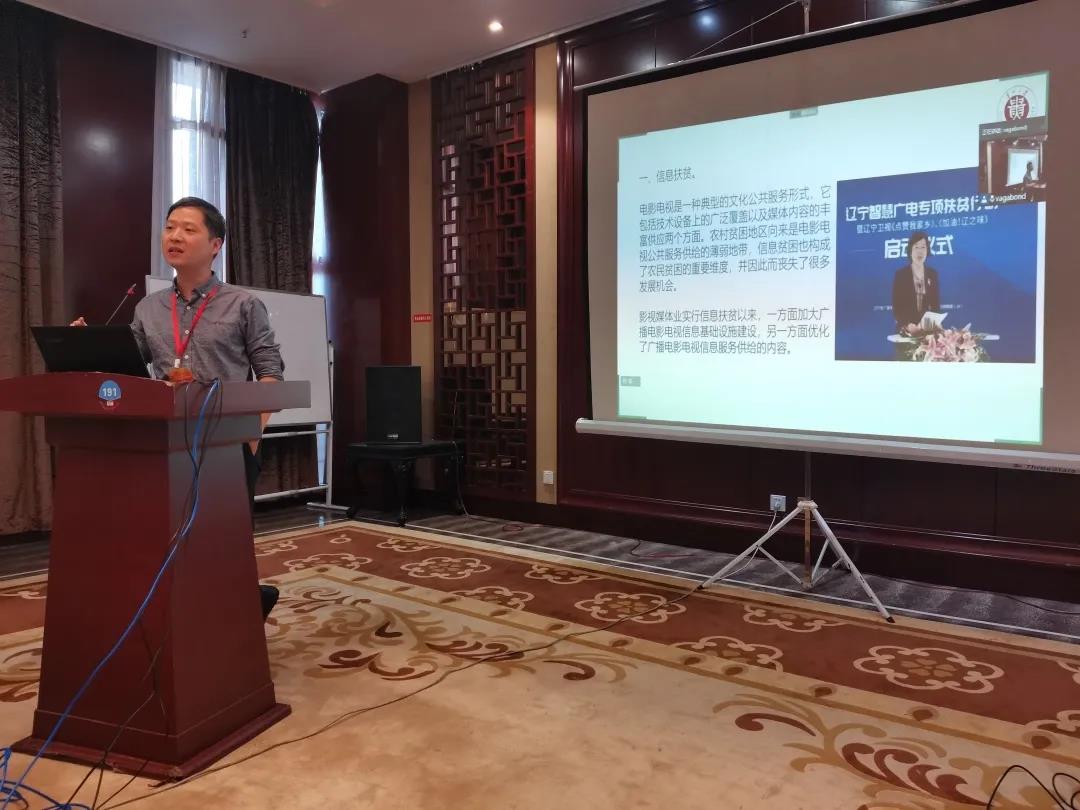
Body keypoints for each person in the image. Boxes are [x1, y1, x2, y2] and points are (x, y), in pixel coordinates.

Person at [71, 196, 283, 620]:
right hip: (164, 439)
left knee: (223, 538)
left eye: (188, 229)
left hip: (226, 440)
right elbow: (129, 367)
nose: (175, 236)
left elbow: (270, 372)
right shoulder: (149, 308)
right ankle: (188, 615)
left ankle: (238, 610)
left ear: (216, 244)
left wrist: (253, 434)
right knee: (168, 535)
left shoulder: (242, 304)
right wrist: (88, 345)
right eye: (170, 227)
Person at [891, 230, 940, 336]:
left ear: (927, 250)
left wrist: (936, 323)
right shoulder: (901, 275)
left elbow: (935, 305)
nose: (920, 252)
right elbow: (897, 307)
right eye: (916, 247)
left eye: (923, 247)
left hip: (927, 331)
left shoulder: (932, 274)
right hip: (906, 330)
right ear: (910, 250)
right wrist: (907, 324)